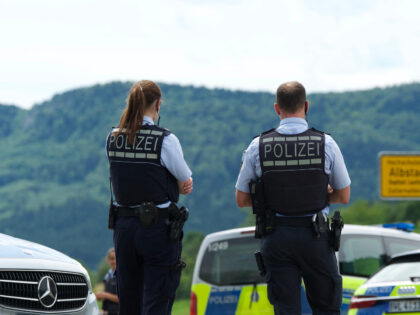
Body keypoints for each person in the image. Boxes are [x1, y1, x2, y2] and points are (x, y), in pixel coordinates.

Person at [235, 81, 350, 315]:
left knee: (285, 309)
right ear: (306, 106)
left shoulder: (259, 146)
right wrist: (324, 193)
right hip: (316, 237)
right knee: (327, 308)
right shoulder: (326, 143)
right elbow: (344, 195)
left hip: (276, 236)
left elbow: (242, 199)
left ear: (277, 109)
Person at [106, 80, 193, 315]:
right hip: (157, 229)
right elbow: (185, 183)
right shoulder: (165, 140)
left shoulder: (113, 137)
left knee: (128, 301)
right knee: (157, 299)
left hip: (123, 229)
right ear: (158, 105)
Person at [95, 248, 119, 315]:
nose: (114, 261)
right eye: (112, 258)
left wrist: (104, 295)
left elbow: (122, 298)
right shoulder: (107, 275)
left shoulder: (121, 276)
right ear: (107, 259)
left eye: (116, 258)